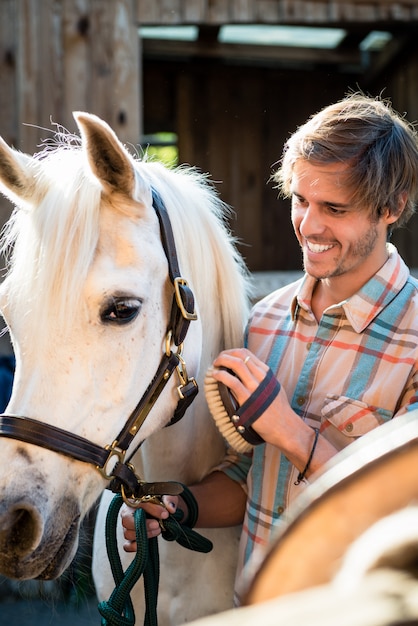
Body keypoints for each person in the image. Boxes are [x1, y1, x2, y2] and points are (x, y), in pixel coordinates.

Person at [121, 93, 418, 603]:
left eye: (335, 208)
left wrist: (291, 432)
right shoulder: (266, 320)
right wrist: (183, 509)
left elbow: (403, 518)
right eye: (301, 200)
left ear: (392, 207)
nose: (309, 225)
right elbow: (250, 479)